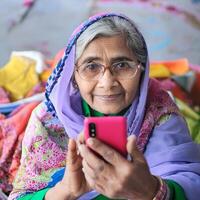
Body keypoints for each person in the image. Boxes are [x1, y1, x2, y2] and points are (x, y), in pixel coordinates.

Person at [8, 12, 200, 200]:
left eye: (122, 65)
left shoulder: (160, 114)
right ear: (73, 76)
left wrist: (151, 190)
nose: (107, 83)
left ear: (142, 70)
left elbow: (193, 185)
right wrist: (65, 191)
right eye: (91, 66)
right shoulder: (48, 120)